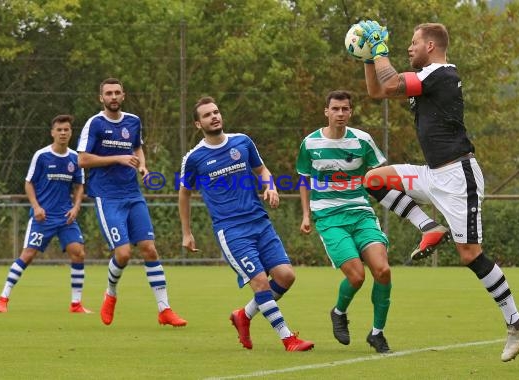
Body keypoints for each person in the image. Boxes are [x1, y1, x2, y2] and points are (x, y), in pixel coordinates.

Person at [356, 20, 519, 361]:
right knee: (373, 179)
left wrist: (379, 49)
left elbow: (389, 82)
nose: (409, 48)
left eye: (414, 43)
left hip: (457, 176)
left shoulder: (442, 74)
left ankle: (515, 323)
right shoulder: (426, 77)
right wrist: (367, 56)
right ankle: (428, 226)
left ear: (431, 46)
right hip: (431, 174)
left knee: (470, 255)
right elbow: (377, 91)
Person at [179, 96, 314, 351]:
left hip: (259, 222)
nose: (214, 117)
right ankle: (288, 339)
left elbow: (262, 170)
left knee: (286, 276)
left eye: (216, 112)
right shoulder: (194, 158)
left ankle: (244, 315)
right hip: (231, 231)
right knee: (261, 282)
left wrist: (270, 187)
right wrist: (186, 232)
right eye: (207, 115)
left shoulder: (242, 141)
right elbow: (184, 193)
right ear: (198, 124)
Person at [77, 77, 186, 327]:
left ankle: (164, 309)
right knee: (124, 253)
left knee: (149, 248)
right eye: (108, 93)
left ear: (123, 95)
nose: (113, 97)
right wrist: (117, 158)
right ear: (101, 98)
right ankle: (111, 293)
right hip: (107, 196)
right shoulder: (94, 124)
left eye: (117, 93)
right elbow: (82, 160)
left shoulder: (133, 121)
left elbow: (137, 149)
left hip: (133, 194)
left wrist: (143, 166)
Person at [296, 90, 392, 353]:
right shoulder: (311, 143)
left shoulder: (363, 140)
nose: (340, 114)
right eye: (335, 109)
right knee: (357, 276)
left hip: (361, 213)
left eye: (345, 109)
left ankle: (377, 333)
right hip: (328, 217)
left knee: (382, 271)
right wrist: (306, 215)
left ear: (351, 112)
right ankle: (339, 312)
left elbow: (379, 173)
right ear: (326, 111)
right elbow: (304, 180)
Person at [0, 115, 91, 314]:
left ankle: (76, 304)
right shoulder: (41, 156)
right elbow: (28, 182)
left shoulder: (75, 158)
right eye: (59, 130)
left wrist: (76, 207)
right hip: (43, 217)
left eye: (66, 130)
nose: (63, 133)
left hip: (65, 217)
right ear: (52, 132)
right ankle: (2, 298)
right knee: (28, 255)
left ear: (71, 132)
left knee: (79, 253)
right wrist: (36, 207)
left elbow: (79, 185)